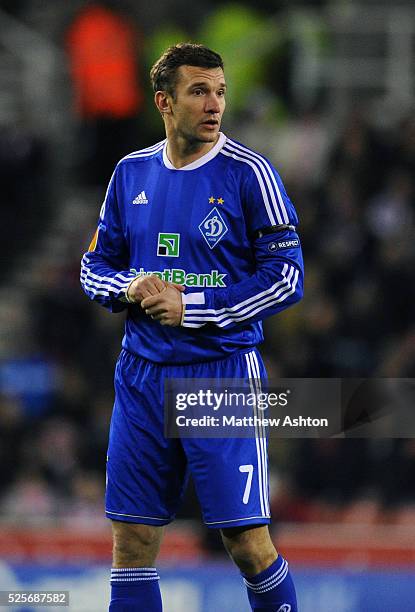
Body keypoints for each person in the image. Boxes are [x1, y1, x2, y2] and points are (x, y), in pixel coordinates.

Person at [81, 43, 303, 612]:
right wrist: (129, 287)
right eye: (199, 91)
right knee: (132, 544)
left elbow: (286, 278)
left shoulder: (250, 174)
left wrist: (194, 307)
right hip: (141, 374)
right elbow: (93, 266)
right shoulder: (130, 173)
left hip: (220, 375)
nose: (215, 104)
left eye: (221, 91)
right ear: (164, 102)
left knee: (247, 544)